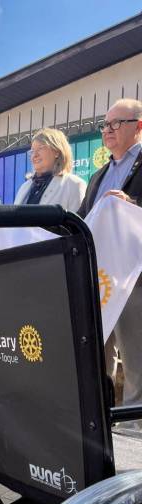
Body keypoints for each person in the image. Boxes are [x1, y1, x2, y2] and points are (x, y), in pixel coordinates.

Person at [78, 98, 142, 412]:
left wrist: (131, 204)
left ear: (138, 126)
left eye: (116, 123)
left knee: (137, 363)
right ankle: (100, 423)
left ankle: (134, 431)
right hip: (101, 280)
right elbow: (82, 219)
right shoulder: (97, 176)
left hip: (134, 279)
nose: (108, 130)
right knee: (95, 359)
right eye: (105, 124)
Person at [14, 128, 86, 210]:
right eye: (32, 151)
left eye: (40, 148)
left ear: (56, 152)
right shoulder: (24, 187)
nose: (35, 155)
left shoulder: (73, 184)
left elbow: (77, 217)